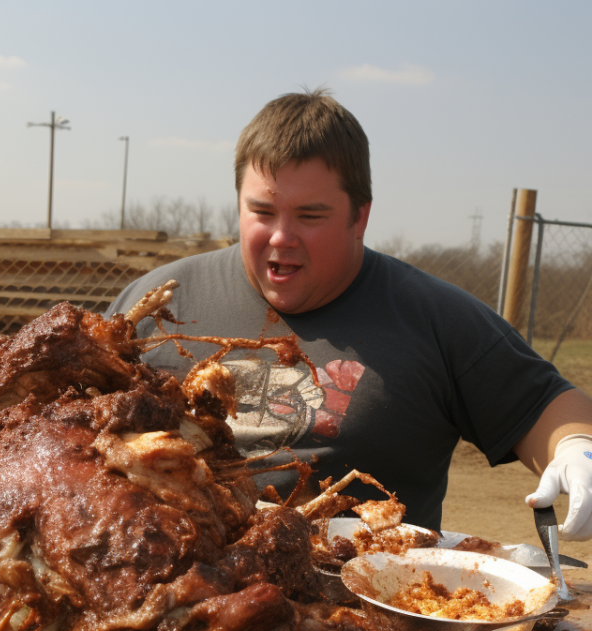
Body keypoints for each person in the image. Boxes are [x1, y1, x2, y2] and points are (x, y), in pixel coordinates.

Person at [107, 88, 592, 538]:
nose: (281, 237)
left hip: (363, 602)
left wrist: (578, 449)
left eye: (310, 216)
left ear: (360, 215)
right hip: (175, 600)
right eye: (262, 212)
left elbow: (548, 407)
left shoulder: (431, 317)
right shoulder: (157, 303)